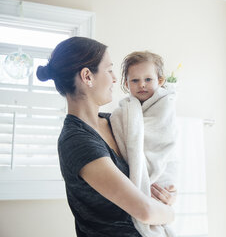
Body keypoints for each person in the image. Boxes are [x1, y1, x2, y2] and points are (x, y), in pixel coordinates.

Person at [36, 37, 175, 237]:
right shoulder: (76, 141)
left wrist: (165, 196)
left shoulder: (116, 123)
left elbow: (146, 173)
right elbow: (145, 211)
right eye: (109, 70)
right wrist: (170, 213)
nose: (115, 79)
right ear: (87, 76)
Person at [110, 51, 178, 237]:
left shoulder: (165, 104)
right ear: (126, 84)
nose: (142, 85)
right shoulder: (124, 111)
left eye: (148, 79)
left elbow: (162, 138)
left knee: (160, 205)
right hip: (134, 184)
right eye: (135, 80)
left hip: (161, 174)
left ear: (161, 81)